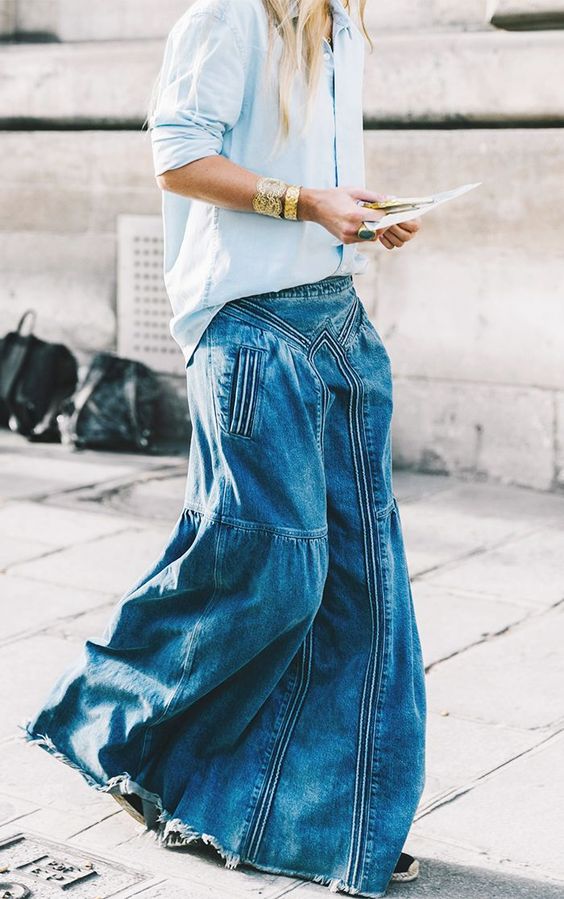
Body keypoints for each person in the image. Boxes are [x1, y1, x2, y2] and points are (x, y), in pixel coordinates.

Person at [19, 1, 427, 896]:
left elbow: (312, 182)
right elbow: (177, 159)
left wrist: (356, 213)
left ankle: (330, 817)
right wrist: (302, 203)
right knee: (270, 569)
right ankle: (106, 713)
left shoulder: (342, 25)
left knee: (363, 583)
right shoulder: (228, 17)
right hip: (250, 329)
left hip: (337, 321)